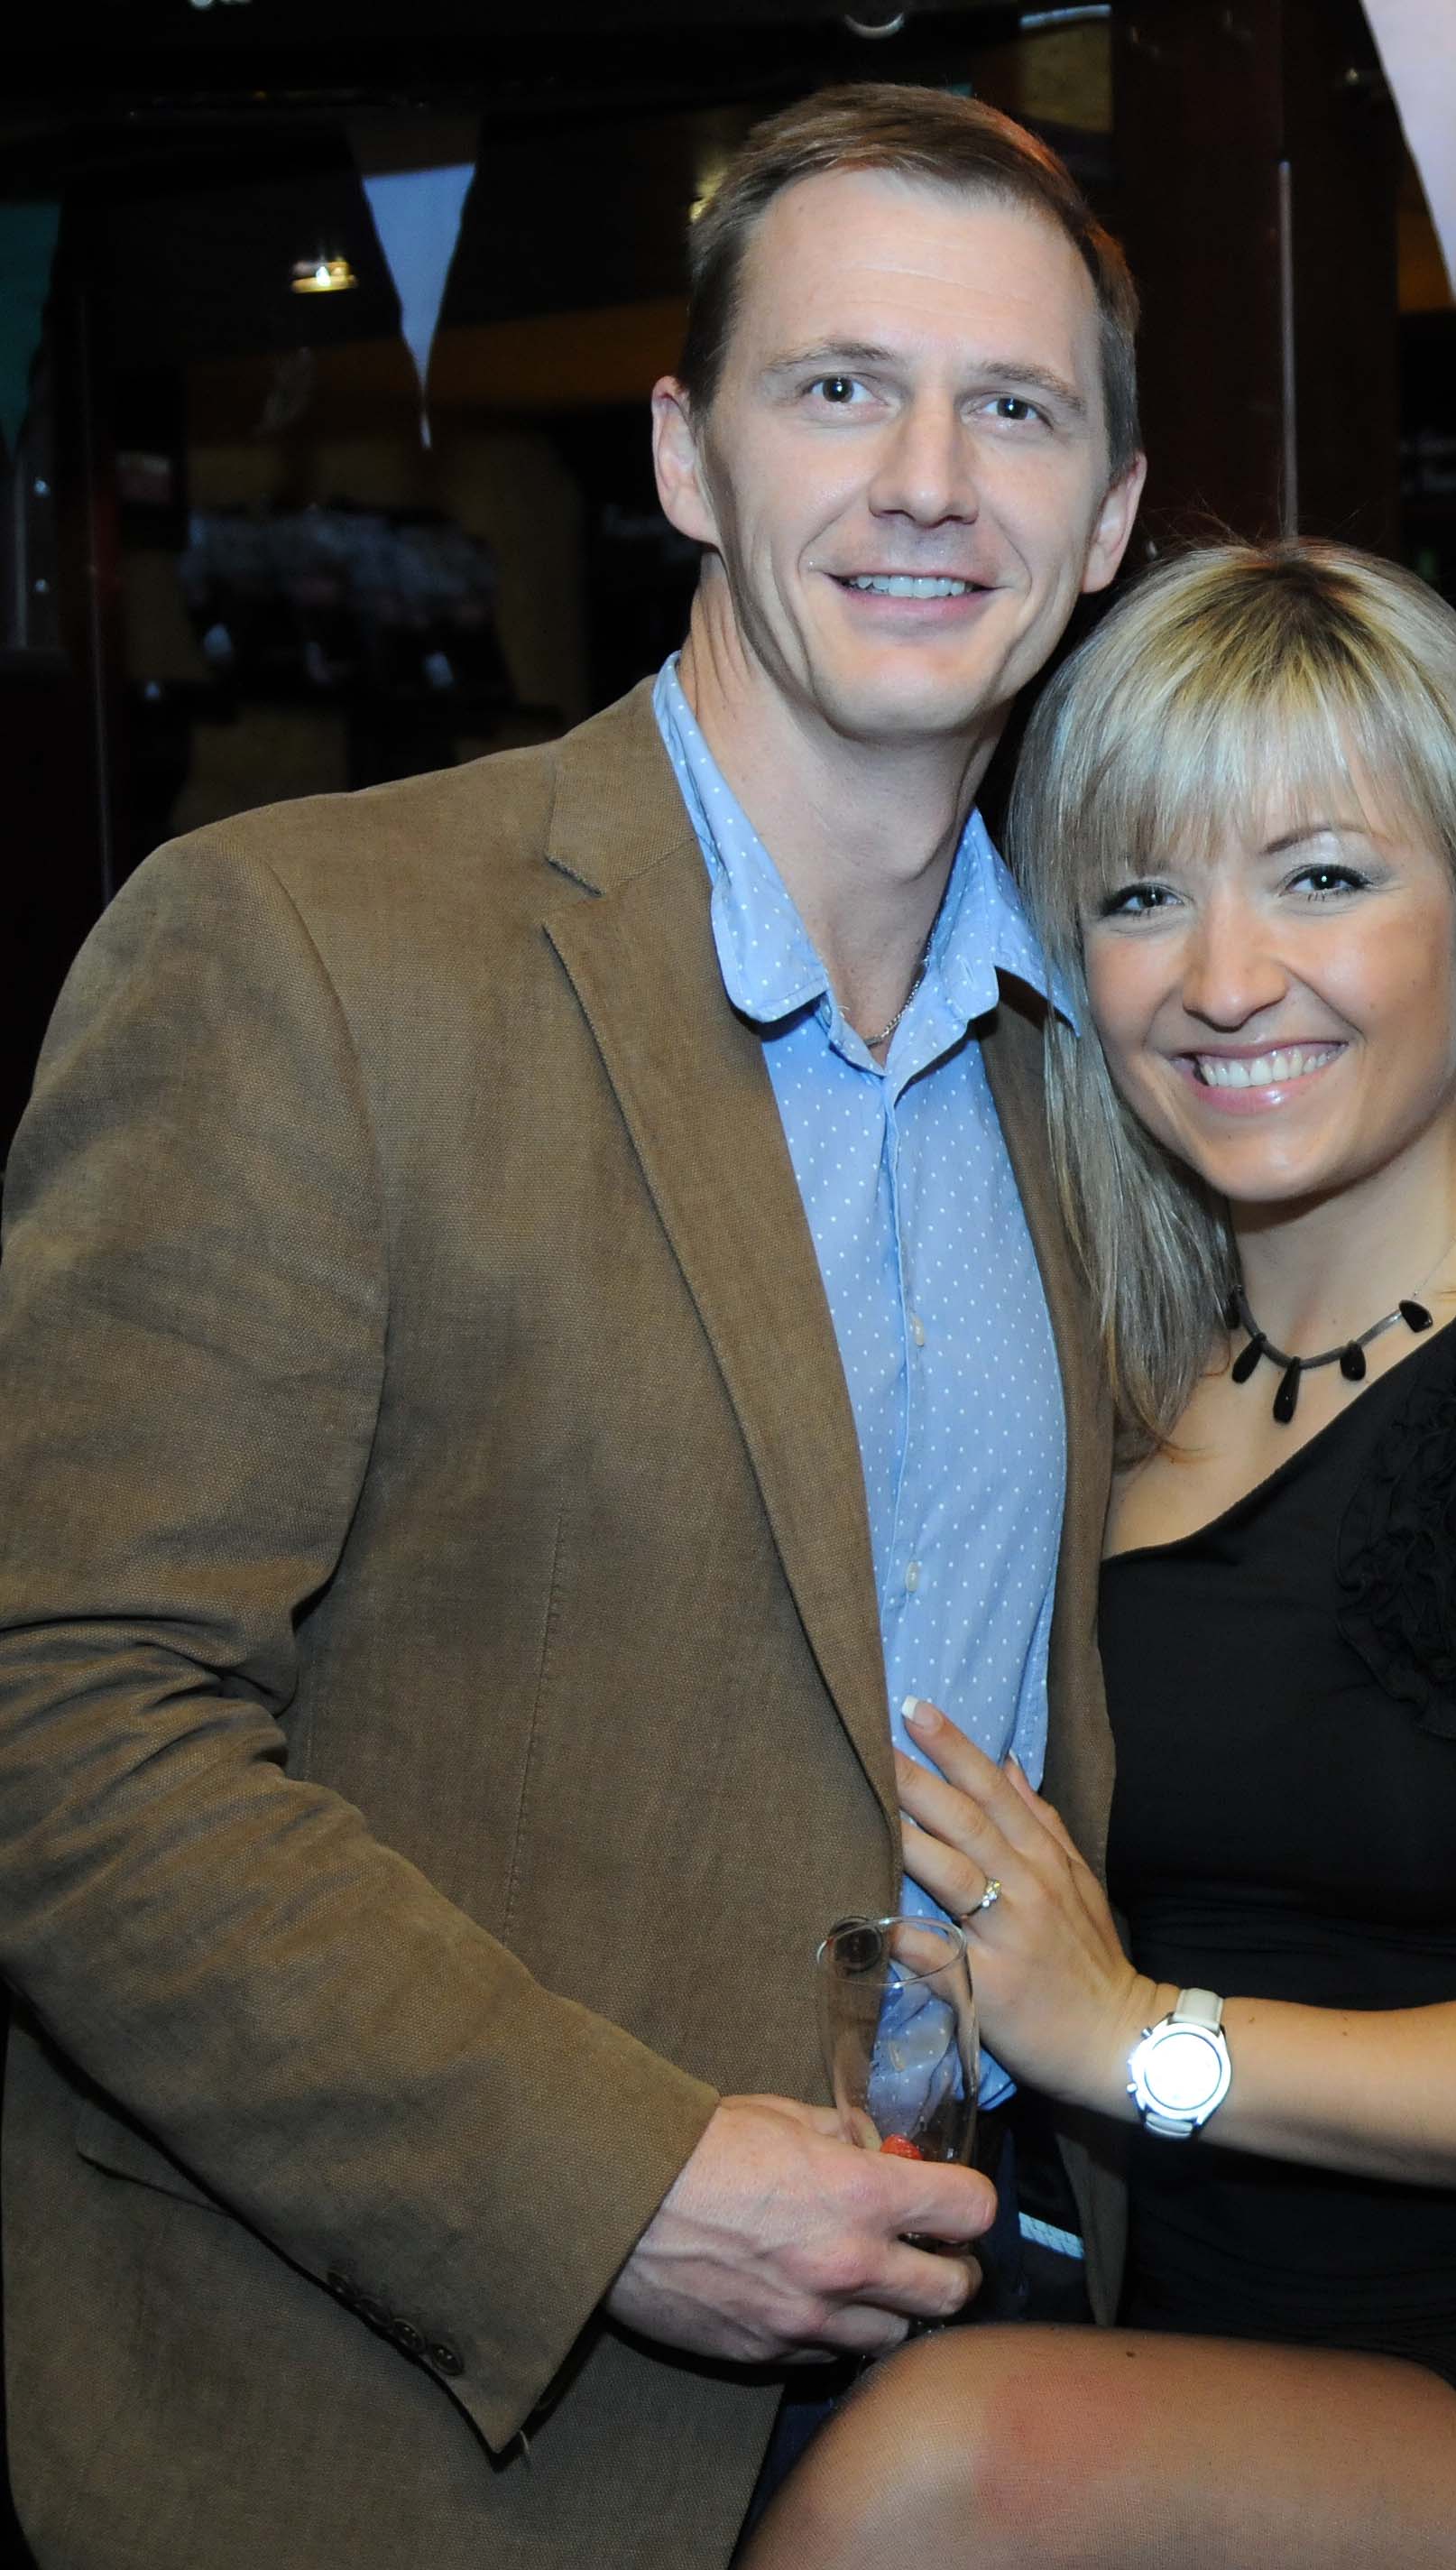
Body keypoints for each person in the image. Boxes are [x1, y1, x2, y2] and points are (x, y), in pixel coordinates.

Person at [0, 84, 1145, 2570]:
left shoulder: (1090, 1073)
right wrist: (607, 2184)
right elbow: (66, 1734)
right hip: (405, 2448)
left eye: (1016, 409)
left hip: (952, 2405)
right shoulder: (307, 953)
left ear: (1110, 517)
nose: (930, 481)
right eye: (839, 387)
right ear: (686, 456)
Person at [740, 540, 1456, 2570]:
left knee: (945, 2464)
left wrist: (1142, 2038)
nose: (1226, 977)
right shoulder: (1102, 1385)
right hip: (1176, 2354)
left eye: (1322, 877)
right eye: (1140, 896)